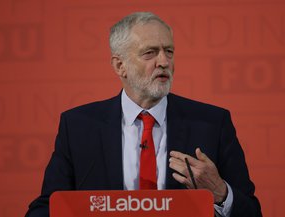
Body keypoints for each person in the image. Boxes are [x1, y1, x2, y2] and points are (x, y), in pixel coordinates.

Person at [25, 12, 262, 217]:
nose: (164, 62)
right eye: (150, 53)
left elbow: (251, 211)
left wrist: (220, 192)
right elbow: (47, 206)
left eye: (169, 51)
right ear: (120, 66)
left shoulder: (212, 123)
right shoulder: (78, 126)